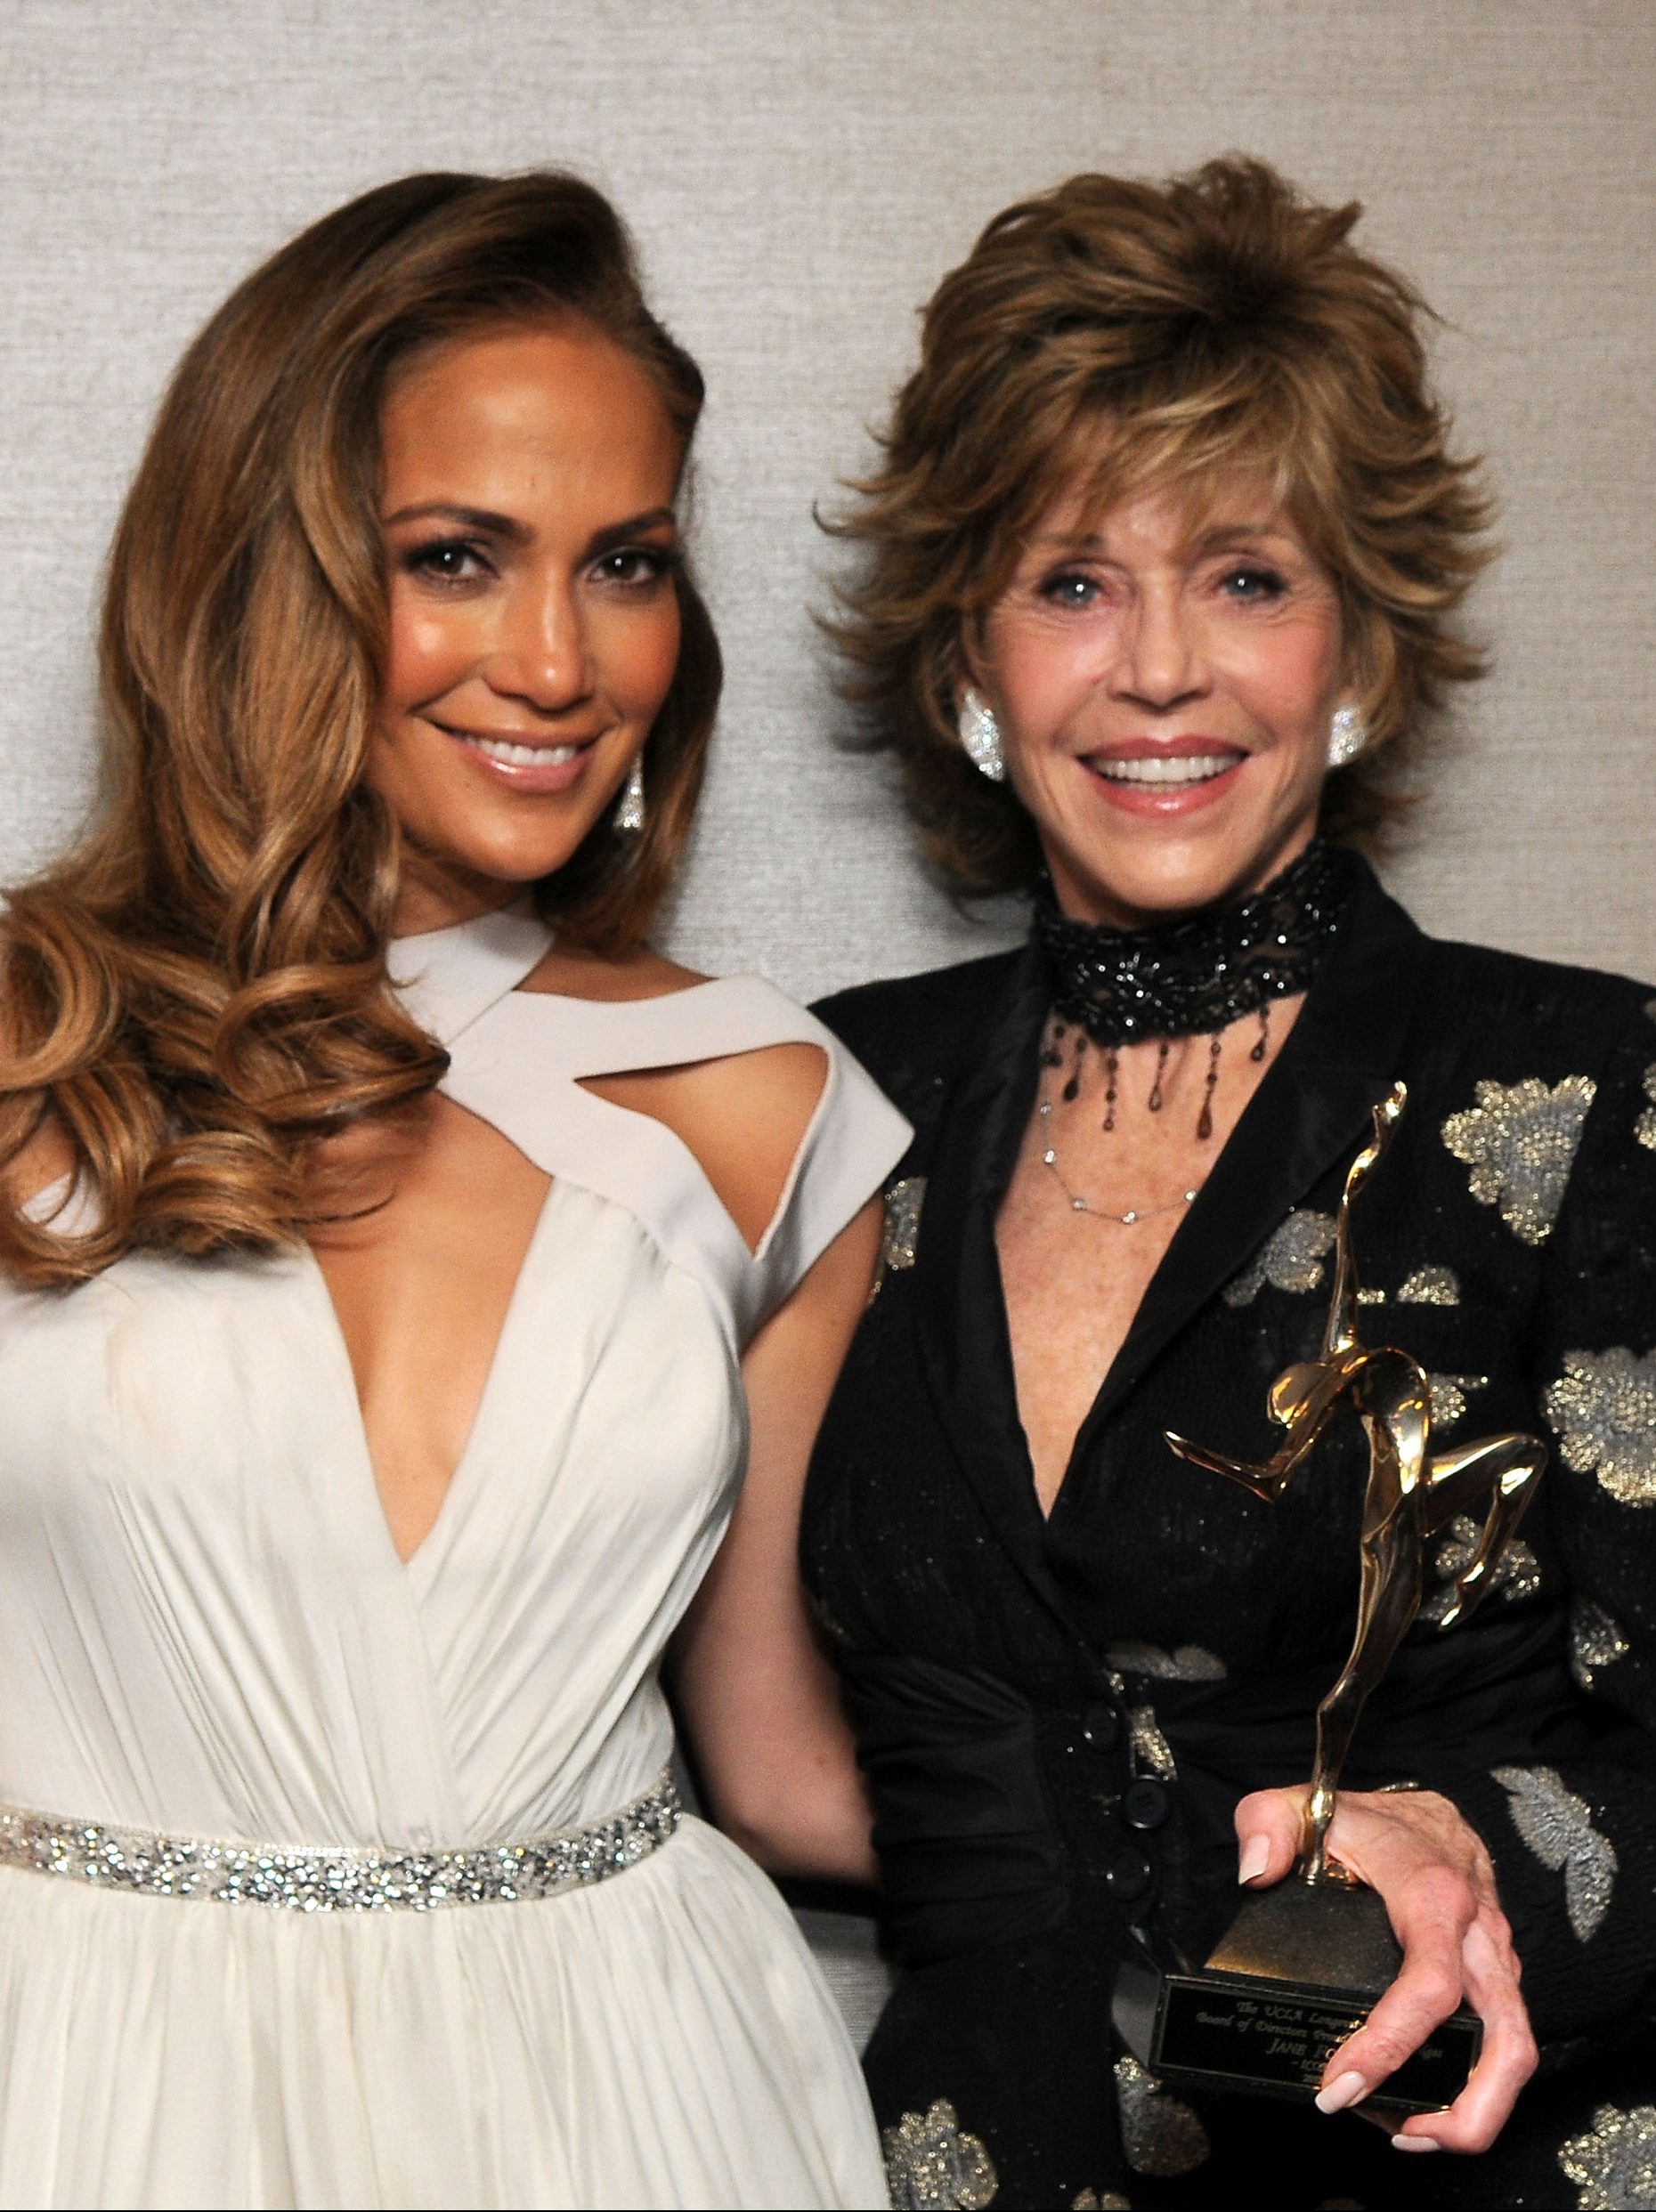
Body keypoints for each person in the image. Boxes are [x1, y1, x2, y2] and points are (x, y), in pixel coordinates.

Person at [0, 170, 906, 2209]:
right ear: (266, 572)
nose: (559, 659)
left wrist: (1263, 1830)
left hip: (636, 2098)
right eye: (458, 556)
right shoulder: (28, 1051)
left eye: (629, 562)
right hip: (97, 2085)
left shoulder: (770, 1107)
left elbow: (775, 1761)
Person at [780, 158, 1655, 2207]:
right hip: (969, 2154)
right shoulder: (833, 1093)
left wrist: (1464, 1844)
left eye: (1248, 576)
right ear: (966, 662)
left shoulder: (1588, 1085)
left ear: (1354, 641)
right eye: (1074, 581)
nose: (1162, 668)